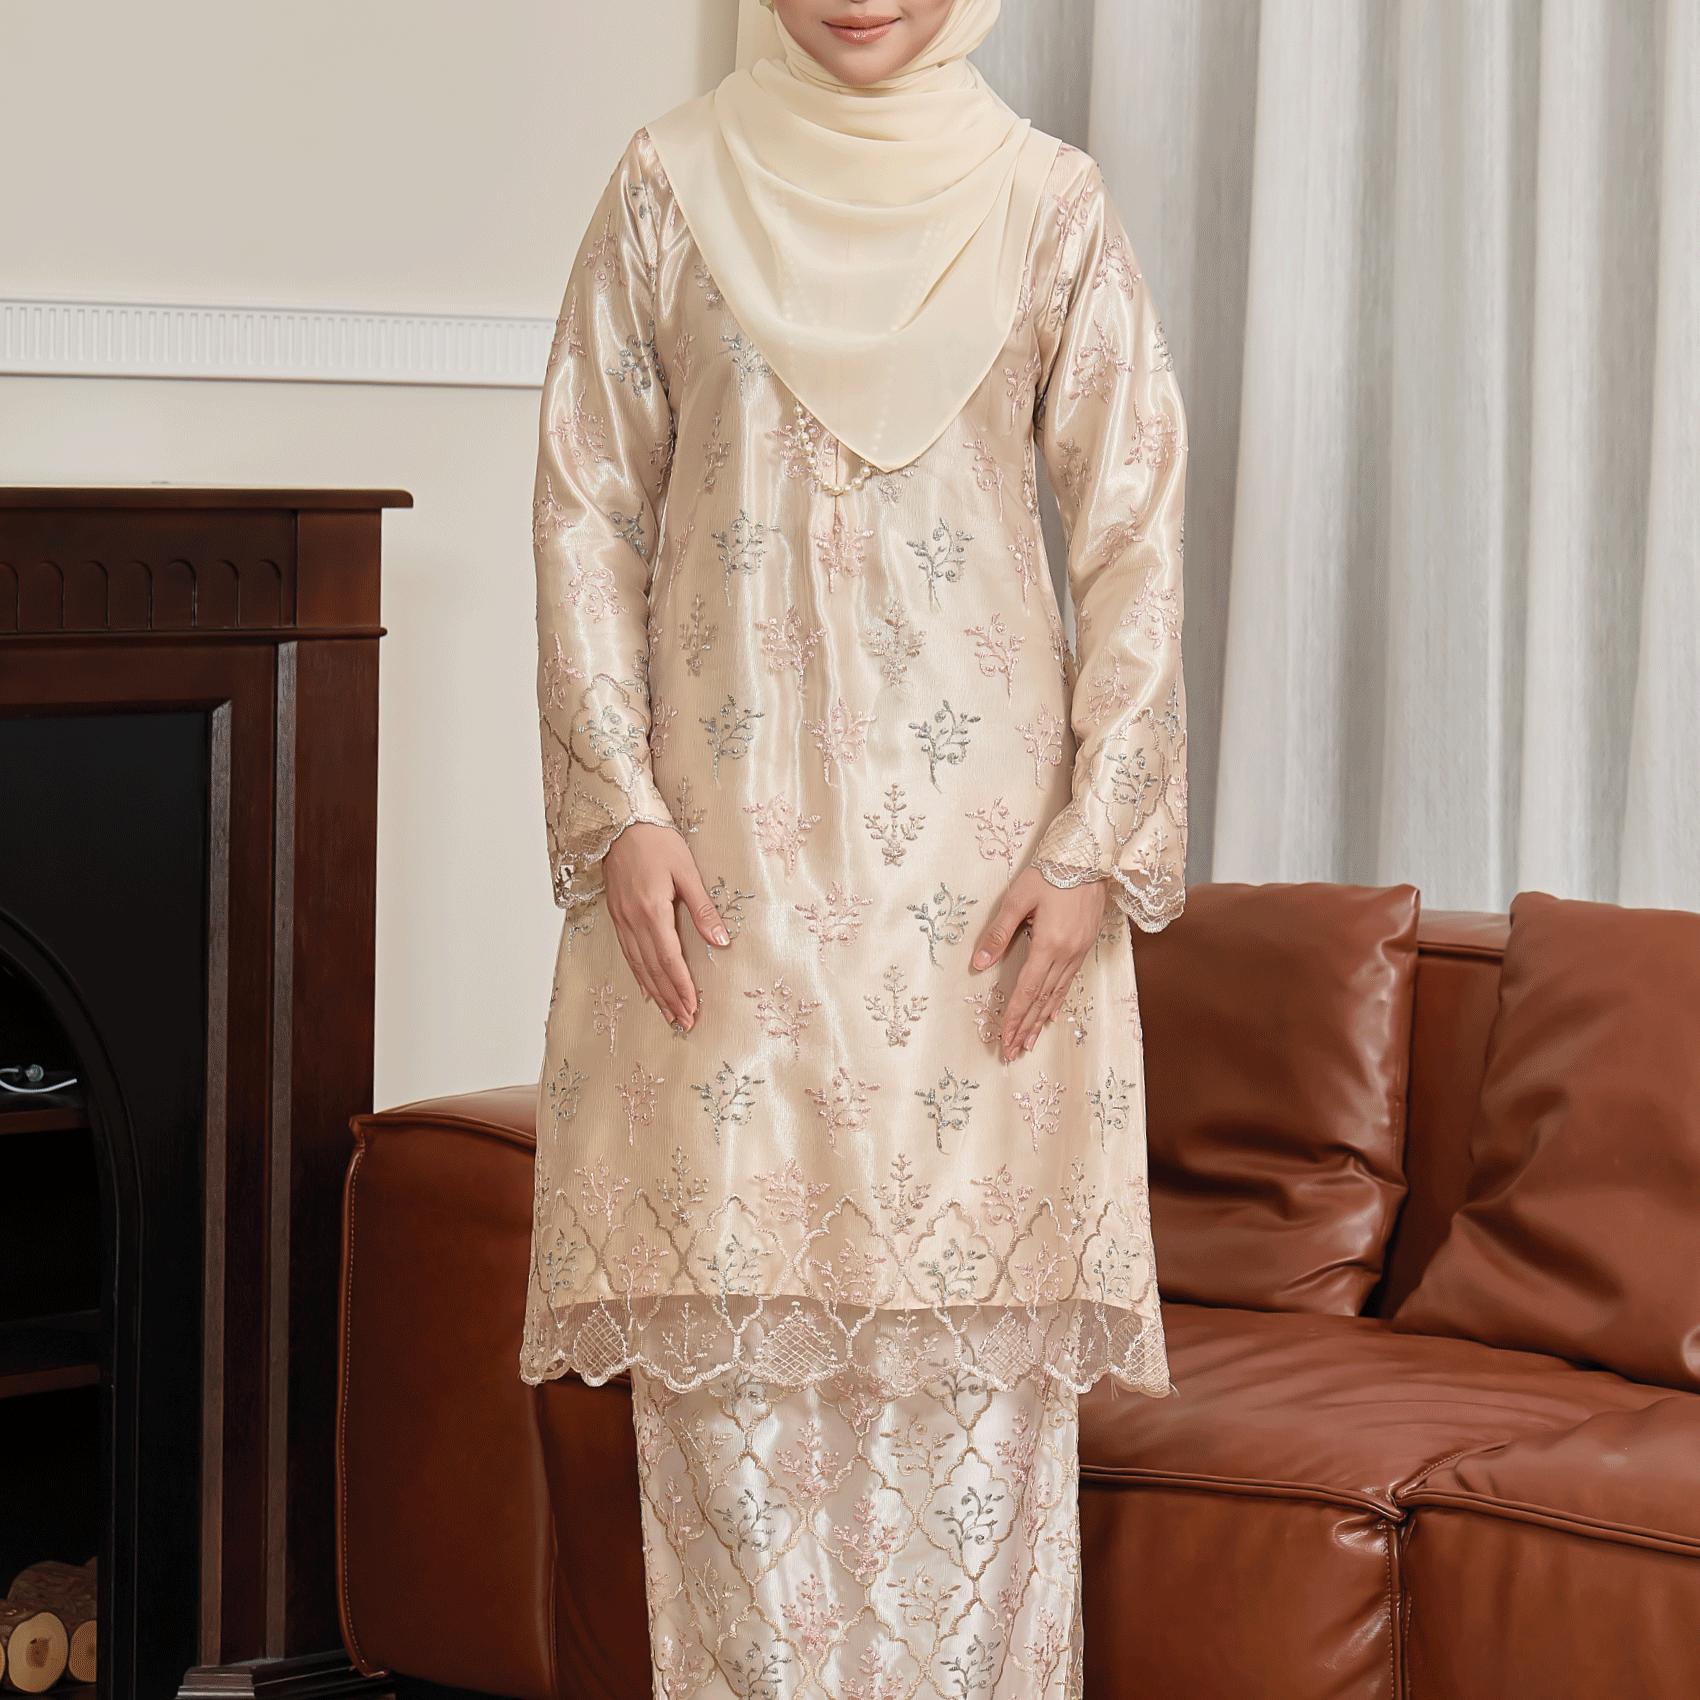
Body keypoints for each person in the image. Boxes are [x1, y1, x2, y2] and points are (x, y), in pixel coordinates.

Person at [520, 0, 1188, 1691]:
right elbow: (586, 506)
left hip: (985, 930)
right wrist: (618, 805)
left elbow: (1134, 539)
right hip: (720, 919)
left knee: (975, 1459)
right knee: (740, 1464)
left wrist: (1094, 843)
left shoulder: (1048, 206)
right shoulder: (667, 186)